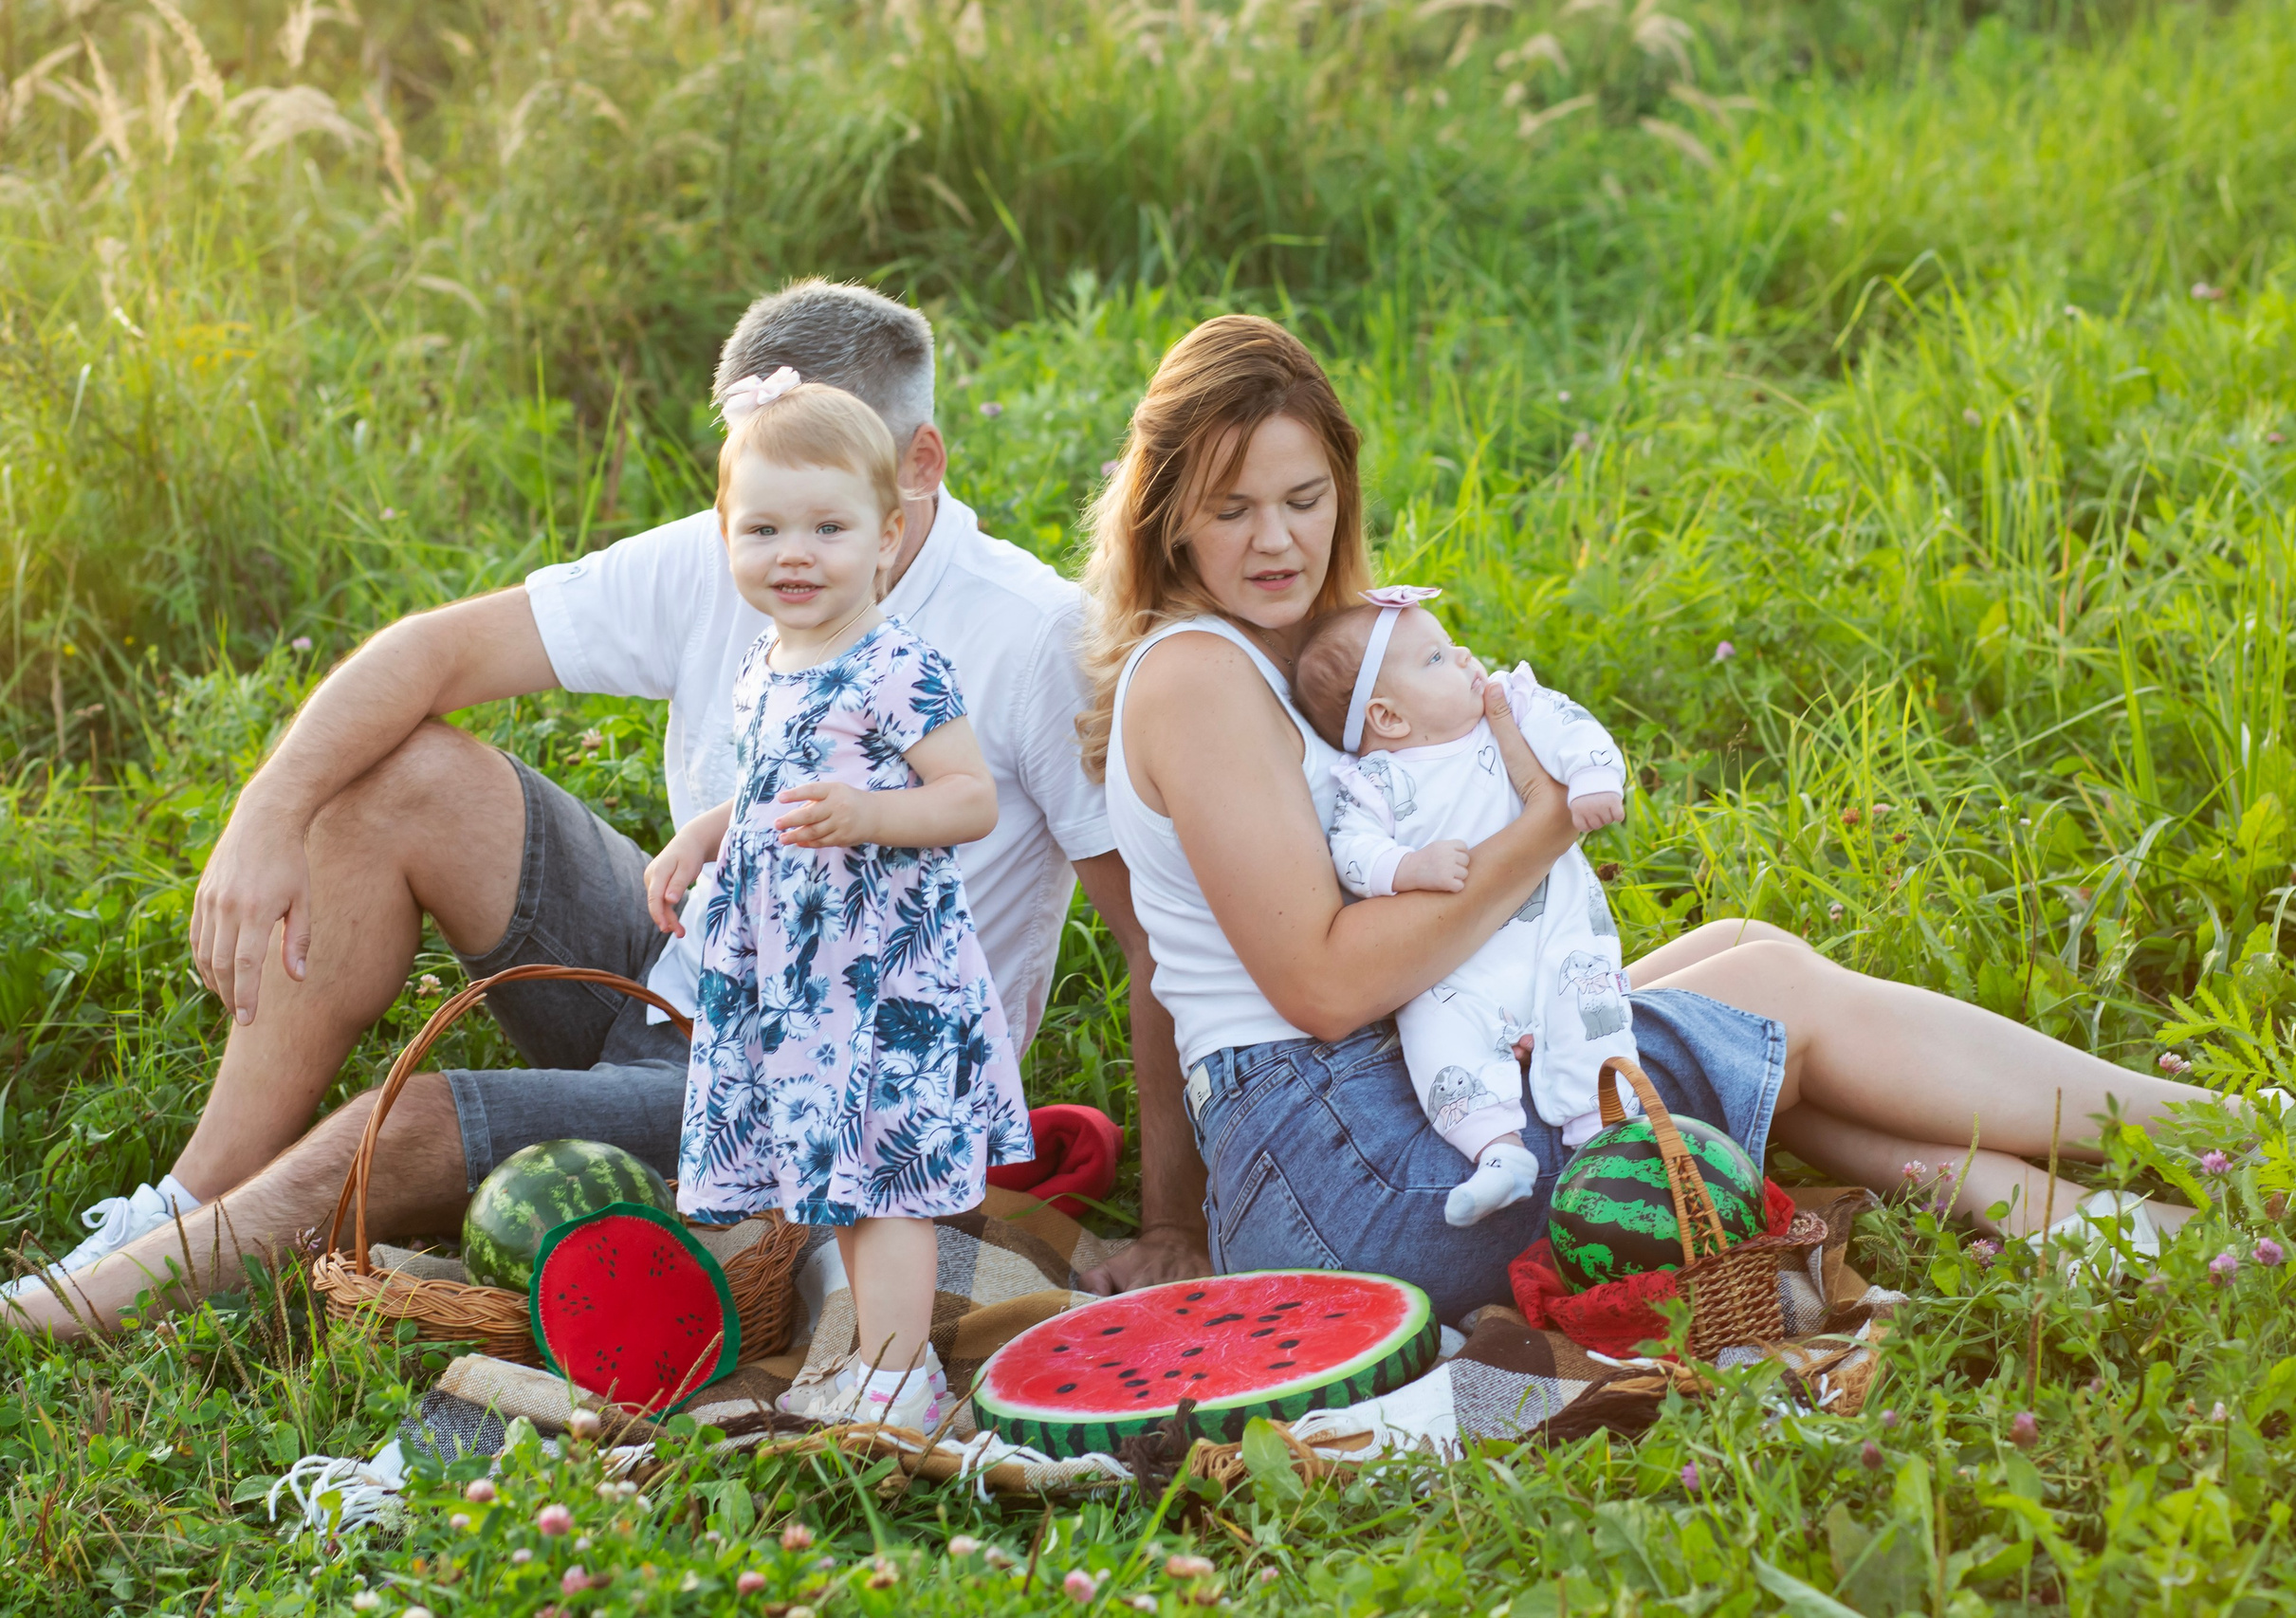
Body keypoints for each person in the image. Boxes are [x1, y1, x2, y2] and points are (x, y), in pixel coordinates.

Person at [6, 280, 1200, 1332]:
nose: (772, 542)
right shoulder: (743, 543)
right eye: (749, 490)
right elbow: (429, 652)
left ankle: (73, 1318)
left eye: (815, 495)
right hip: (683, 967)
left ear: (915, 470)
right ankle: (183, 1198)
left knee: (414, 1123)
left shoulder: (1025, 636)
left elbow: (1155, 945)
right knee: (400, 776)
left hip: (826, 1071)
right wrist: (267, 811)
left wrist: (1172, 1218)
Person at [1082, 312, 2225, 1327]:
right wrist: (1541, 825)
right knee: (1772, 996)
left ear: (1343, 488)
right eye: (1229, 509)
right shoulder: (1197, 676)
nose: (1276, 540)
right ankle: (2214, 1129)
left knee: (1742, 956)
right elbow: (1319, 989)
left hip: (1377, 1107)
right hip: (1344, 1175)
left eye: (1302, 499)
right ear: (1168, 514)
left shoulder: (1301, 653)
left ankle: (2067, 1218)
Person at [654, 376, 1029, 1431]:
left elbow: (970, 798)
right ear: (726, 533)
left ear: (887, 534)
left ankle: (902, 1376)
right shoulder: (765, 664)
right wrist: (705, 831)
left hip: (880, 968)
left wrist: (869, 812)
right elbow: (776, 791)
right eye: (764, 527)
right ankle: (875, 1353)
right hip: (799, 978)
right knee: (839, 1176)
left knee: (884, 1175)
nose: (796, 553)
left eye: (829, 525)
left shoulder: (894, 661)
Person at [1292, 587, 1632, 1229]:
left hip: (1552, 926)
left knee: (1589, 1002)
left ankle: (1602, 1130)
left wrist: (1591, 778)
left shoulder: (1508, 706)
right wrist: (1409, 867)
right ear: (1388, 718)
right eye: (1438, 659)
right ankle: (1497, 1150)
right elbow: (1352, 851)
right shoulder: (1376, 782)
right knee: (1433, 1028)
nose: (1467, 656)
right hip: (1458, 965)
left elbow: (1571, 725)